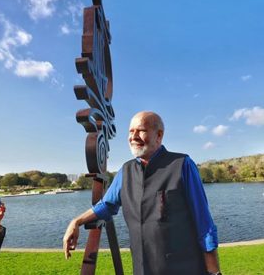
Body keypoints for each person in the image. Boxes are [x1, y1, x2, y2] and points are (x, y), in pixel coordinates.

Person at [64, 111, 222, 275]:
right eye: (131, 132)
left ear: (159, 135)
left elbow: (203, 222)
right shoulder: (126, 171)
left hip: (184, 268)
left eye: (141, 130)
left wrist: (214, 271)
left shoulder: (182, 165)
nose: (133, 136)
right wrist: (76, 221)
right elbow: (107, 205)